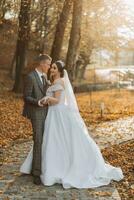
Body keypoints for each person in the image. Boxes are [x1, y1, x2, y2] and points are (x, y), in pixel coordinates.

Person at [20, 60, 124, 189]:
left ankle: (59, 168)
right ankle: (49, 166)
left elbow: (58, 101)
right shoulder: (53, 81)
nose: (51, 70)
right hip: (52, 113)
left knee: (57, 138)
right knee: (52, 139)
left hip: (57, 112)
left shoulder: (59, 82)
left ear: (59, 70)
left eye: (53, 68)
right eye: (51, 67)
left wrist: (46, 99)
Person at [22, 54, 52, 185]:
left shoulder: (45, 77)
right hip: (36, 113)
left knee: (47, 141)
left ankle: (46, 168)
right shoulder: (30, 77)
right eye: (48, 64)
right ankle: (36, 173)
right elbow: (26, 97)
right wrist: (38, 102)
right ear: (42, 64)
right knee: (38, 141)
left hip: (48, 113)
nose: (49, 67)